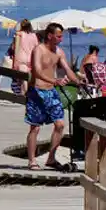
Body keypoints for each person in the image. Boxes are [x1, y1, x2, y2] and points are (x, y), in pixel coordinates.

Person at [25, 23, 81, 171]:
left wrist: (79, 82)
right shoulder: (39, 50)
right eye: (58, 36)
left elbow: (68, 70)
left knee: (60, 125)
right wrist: (55, 81)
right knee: (35, 128)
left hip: (51, 92)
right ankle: (31, 160)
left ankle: (51, 158)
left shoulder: (59, 52)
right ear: (50, 36)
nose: (61, 39)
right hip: (37, 92)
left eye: (61, 36)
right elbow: (36, 71)